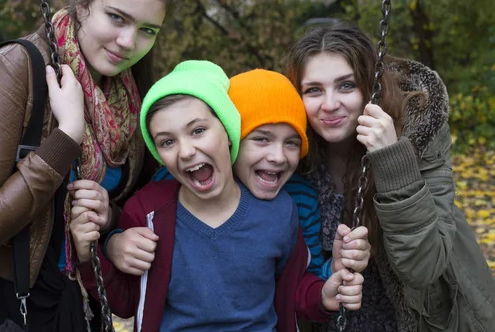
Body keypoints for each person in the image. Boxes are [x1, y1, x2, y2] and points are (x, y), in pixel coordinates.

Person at [0, 0, 178, 332]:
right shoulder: (16, 68)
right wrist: (67, 136)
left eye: (147, 30)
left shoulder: (129, 93)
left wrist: (111, 221)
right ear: (83, 0)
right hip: (1, 300)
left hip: (77, 292)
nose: (128, 42)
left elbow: (129, 203)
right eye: (117, 17)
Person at [72, 61, 364, 331]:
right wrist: (92, 254)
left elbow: (292, 290)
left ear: (228, 131)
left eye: (198, 131)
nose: (186, 151)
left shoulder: (281, 212)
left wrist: (325, 295)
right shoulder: (148, 211)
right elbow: (124, 302)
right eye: (167, 142)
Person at [286, 20, 495, 331]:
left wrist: (393, 161)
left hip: (422, 319)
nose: (330, 105)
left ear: (371, 87)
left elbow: (424, 267)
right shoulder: (289, 154)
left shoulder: (418, 135)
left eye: (346, 85)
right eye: (314, 90)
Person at [102, 69, 370, 282]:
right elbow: (134, 229)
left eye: (291, 142)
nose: (277, 156)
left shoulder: (299, 199)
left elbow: (303, 279)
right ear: (232, 139)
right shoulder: (172, 187)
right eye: (262, 139)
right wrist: (113, 243)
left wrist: (333, 269)